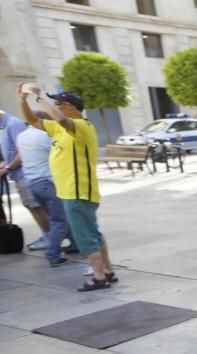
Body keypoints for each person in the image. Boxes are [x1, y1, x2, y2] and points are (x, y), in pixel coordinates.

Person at [17, 85, 116, 291]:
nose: (56, 107)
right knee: (92, 232)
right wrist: (22, 100)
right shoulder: (60, 128)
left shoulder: (80, 125)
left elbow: (61, 119)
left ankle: (99, 277)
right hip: (71, 191)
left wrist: (39, 97)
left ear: (71, 107)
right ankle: (107, 270)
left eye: (58, 104)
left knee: (84, 235)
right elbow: (33, 120)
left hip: (78, 191)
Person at [17, 111, 76, 267]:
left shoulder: (22, 136)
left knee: (58, 216)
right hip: (48, 182)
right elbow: (61, 153)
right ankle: (53, 254)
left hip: (33, 183)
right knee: (59, 220)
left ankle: (75, 244)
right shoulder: (44, 136)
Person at [0, 108, 51, 251]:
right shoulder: (5, 126)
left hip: (25, 174)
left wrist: (7, 168)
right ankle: (47, 235)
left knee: (36, 207)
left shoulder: (13, 124)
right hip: (18, 174)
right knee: (31, 206)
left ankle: (49, 237)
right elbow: (12, 152)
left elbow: (22, 151)